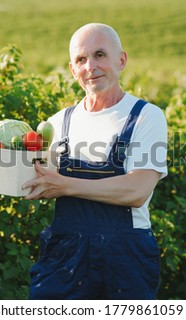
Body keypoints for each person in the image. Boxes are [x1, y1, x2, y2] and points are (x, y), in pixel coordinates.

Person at [22, 23, 168, 299]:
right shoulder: (58, 123)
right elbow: (33, 177)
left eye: (100, 55)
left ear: (121, 60)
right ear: (72, 69)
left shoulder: (145, 117)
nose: (91, 66)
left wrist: (65, 186)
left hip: (125, 258)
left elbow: (137, 190)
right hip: (64, 256)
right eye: (81, 59)